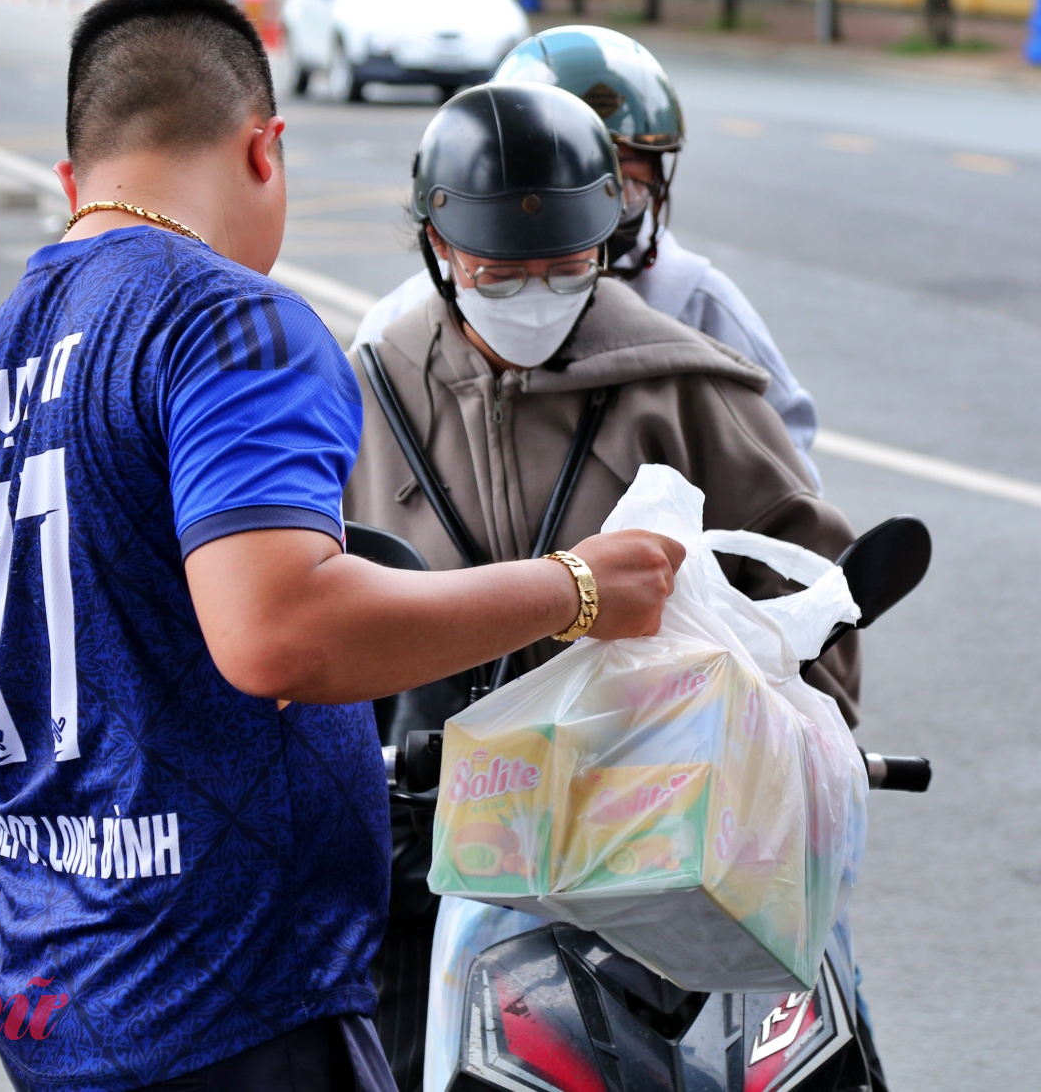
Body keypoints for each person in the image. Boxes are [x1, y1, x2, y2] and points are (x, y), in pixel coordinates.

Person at [0, 0, 682, 1092]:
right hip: (226, 1002)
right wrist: (573, 587)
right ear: (265, 150)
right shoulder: (230, 318)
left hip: (54, 996)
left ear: (75, 179)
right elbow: (278, 631)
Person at [345, 80, 865, 1089]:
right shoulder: (366, 394)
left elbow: (805, 589)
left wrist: (797, 735)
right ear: (438, 250)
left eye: (565, 264)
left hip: (667, 841)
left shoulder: (684, 384)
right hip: (437, 841)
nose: (534, 290)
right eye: (502, 268)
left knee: (815, 1038)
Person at [349, 24, 822, 481]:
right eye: (503, 277)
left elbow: (783, 458)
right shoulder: (402, 329)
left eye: (625, 182)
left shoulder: (697, 306)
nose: (596, 213)